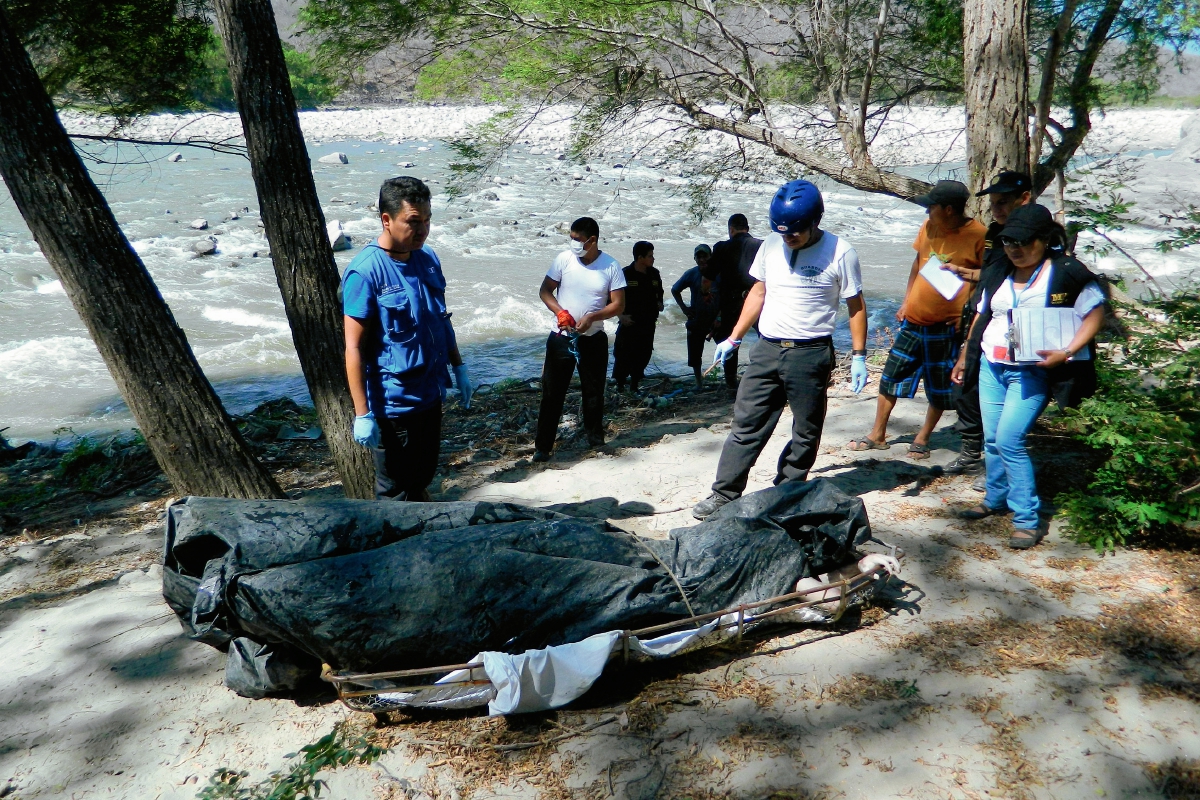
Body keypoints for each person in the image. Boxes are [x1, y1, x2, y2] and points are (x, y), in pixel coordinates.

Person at [693, 180, 870, 520]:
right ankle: (723, 494)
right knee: (746, 425)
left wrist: (860, 355)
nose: (788, 238)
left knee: (806, 430)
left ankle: (786, 491)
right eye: (782, 231)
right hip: (767, 349)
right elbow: (758, 292)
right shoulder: (771, 245)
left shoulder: (841, 252)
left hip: (810, 353)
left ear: (815, 221)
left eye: (796, 232)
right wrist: (734, 337)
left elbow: (856, 305)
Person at [952, 204, 1106, 549]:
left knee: (1009, 440)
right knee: (991, 438)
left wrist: (1066, 352)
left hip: (1031, 372)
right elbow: (982, 316)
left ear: (1045, 239)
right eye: (1008, 242)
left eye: (1024, 242)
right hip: (992, 365)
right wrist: (965, 355)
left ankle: (1026, 520)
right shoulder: (998, 269)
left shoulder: (1066, 272)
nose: (1015, 249)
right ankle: (994, 499)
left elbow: (1095, 314)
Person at [343, 176, 473, 501]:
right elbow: (353, 347)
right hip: (393, 405)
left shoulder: (426, 258)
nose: (423, 230)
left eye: (427, 220)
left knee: (422, 476)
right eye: (413, 222)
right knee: (396, 489)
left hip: (430, 394)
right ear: (387, 220)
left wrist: (459, 367)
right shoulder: (366, 272)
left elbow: (440, 318)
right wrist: (363, 414)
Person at [848, 180, 986, 459]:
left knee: (938, 386)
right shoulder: (929, 227)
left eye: (931, 207)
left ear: (949, 209)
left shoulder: (979, 235)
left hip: (946, 325)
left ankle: (923, 438)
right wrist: (907, 299)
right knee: (890, 377)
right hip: (913, 319)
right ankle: (878, 433)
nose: (927, 212)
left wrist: (969, 319)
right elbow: (918, 262)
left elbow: (990, 279)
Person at [946, 170, 1033, 480]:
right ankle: (972, 453)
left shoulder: (1034, 240)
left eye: (1004, 202)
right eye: (994, 203)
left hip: (1015, 328)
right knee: (963, 388)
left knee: (1009, 402)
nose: (997, 209)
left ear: (1025, 199)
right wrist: (964, 274)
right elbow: (991, 277)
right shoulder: (995, 235)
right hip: (981, 317)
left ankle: (1001, 469)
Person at [532, 217, 626, 461]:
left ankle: (595, 441)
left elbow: (618, 305)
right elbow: (545, 291)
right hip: (561, 338)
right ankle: (543, 447)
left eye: (577, 239)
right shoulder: (564, 260)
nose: (573, 243)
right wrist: (560, 312)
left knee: (594, 393)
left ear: (592, 240)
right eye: (571, 238)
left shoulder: (611, 267)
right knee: (552, 393)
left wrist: (593, 316)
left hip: (593, 338)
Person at [708, 213, 763, 390]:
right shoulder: (761, 245)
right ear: (747, 228)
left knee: (731, 341)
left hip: (731, 302)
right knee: (767, 337)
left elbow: (709, 273)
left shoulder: (721, 247)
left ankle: (731, 382)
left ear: (731, 229)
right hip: (757, 299)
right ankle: (769, 373)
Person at [612, 241, 664, 393]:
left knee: (643, 354)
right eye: (650, 256)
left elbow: (659, 292)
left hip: (648, 323)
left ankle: (634, 386)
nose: (652, 259)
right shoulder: (625, 274)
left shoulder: (654, 274)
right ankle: (620, 385)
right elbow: (612, 299)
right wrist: (621, 316)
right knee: (623, 355)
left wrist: (660, 303)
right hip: (630, 323)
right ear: (639, 258)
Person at [672, 244, 722, 388]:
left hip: (716, 321)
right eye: (698, 257)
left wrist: (720, 317)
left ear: (710, 257)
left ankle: (731, 380)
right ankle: (698, 382)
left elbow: (726, 297)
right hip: (697, 320)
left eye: (704, 256)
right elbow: (675, 290)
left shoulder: (719, 274)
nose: (701, 259)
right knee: (695, 356)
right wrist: (684, 309)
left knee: (728, 350)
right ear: (695, 259)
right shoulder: (691, 274)